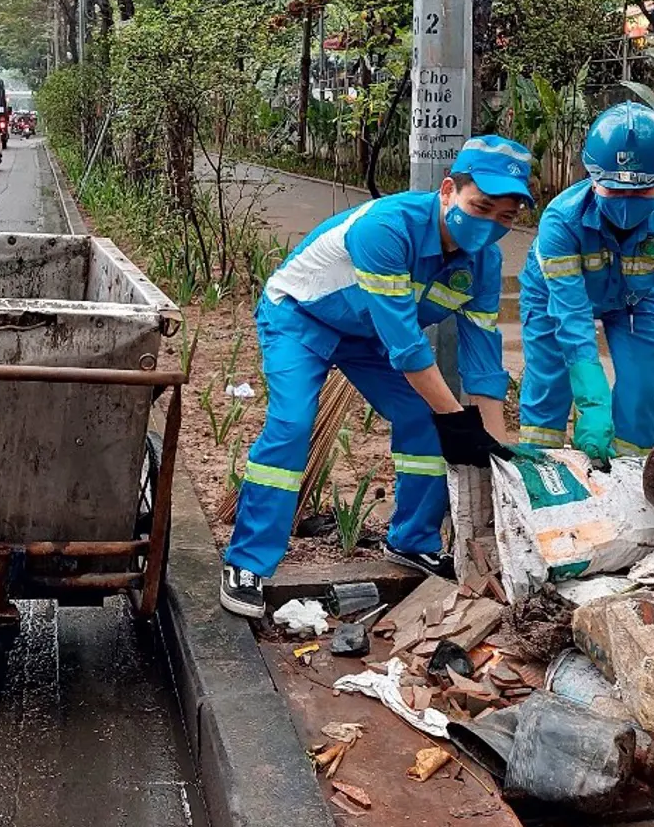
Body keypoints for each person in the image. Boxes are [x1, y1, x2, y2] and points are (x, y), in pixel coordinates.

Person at [218, 136, 535, 617]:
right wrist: (456, 420)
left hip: (365, 337)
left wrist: (496, 448)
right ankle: (247, 562)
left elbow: (483, 357)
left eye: (504, 217)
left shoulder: (485, 263)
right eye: (481, 206)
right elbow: (407, 347)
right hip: (300, 318)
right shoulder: (388, 228)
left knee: (425, 421)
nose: (488, 224)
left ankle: (411, 540)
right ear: (448, 190)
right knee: (291, 423)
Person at [516, 102, 654, 463]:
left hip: (637, 301)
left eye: (640, 192)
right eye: (615, 191)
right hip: (553, 298)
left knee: (639, 391)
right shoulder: (561, 221)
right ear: (592, 178)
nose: (626, 202)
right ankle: (540, 475)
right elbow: (571, 316)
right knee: (550, 384)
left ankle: (634, 476)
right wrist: (591, 399)